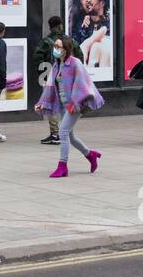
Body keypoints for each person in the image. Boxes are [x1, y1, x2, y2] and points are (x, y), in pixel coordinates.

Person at [36, 35, 103, 178]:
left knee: (63, 132)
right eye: (55, 46)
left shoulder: (75, 63)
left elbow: (82, 84)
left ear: (66, 49)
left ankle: (62, 166)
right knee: (70, 136)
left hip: (75, 105)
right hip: (62, 105)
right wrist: (42, 104)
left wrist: (75, 103)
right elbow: (50, 86)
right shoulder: (56, 65)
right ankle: (90, 154)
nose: (55, 49)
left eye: (58, 47)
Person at [32, 16, 83, 146]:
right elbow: (80, 56)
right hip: (68, 78)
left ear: (50, 27)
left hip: (51, 76)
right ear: (61, 25)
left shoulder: (45, 41)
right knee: (66, 103)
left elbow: (37, 57)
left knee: (51, 103)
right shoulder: (70, 40)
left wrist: (44, 74)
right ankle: (65, 130)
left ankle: (55, 133)